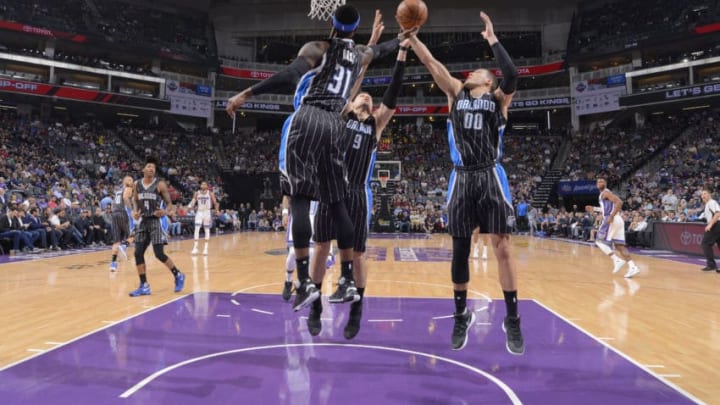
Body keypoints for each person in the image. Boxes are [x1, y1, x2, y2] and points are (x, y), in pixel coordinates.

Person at [226, 4, 411, 311]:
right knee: (337, 201)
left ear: (331, 24)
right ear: (354, 31)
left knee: (299, 198)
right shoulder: (358, 56)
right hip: (335, 124)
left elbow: (290, 74)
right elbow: (377, 52)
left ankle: (302, 282)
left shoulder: (318, 47)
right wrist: (400, 39)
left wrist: (246, 94)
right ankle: (347, 279)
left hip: (308, 117)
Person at [407, 12, 524, 354]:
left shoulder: (498, 99)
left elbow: (513, 74)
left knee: (502, 247)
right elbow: (431, 62)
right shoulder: (455, 93)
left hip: (489, 173)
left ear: (489, 81)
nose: (472, 72)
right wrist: (411, 38)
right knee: (460, 250)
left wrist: (491, 37)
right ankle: (461, 315)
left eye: (480, 72)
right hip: (461, 176)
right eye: (472, 72)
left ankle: (512, 320)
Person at [309, 39, 408, 339]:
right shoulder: (341, 117)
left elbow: (392, 95)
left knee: (358, 254)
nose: (365, 97)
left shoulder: (374, 126)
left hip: (355, 193)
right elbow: (351, 84)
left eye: (368, 97)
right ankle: (315, 305)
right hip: (330, 189)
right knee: (322, 247)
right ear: (351, 103)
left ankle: (357, 309)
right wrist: (365, 60)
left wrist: (401, 55)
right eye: (360, 96)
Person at [128, 157, 185, 297]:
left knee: (159, 253)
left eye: (153, 167)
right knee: (137, 253)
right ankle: (144, 285)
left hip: (157, 221)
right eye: (148, 166)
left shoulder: (160, 184)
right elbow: (135, 200)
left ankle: (178, 275)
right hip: (144, 220)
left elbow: (170, 204)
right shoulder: (137, 184)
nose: (151, 168)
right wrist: (135, 211)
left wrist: (165, 212)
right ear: (143, 169)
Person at [585, 177, 640, 278]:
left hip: (611, 219)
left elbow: (619, 202)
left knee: (599, 241)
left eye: (601, 181)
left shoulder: (605, 193)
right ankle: (633, 267)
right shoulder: (604, 194)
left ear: (605, 183)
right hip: (618, 219)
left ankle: (617, 260)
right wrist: (594, 208)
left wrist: (611, 216)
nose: (599, 183)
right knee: (619, 246)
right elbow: (606, 209)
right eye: (598, 182)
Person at [109, 176, 134, 272]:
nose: (131, 181)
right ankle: (124, 246)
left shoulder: (117, 191)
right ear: (124, 181)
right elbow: (125, 198)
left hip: (114, 214)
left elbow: (112, 205)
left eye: (131, 180)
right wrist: (131, 210)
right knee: (135, 233)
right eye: (129, 180)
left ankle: (113, 264)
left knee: (116, 241)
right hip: (123, 213)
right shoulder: (128, 189)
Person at [188, 181, 219, 256]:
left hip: (207, 212)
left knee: (206, 229)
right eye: (202, 184)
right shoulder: (197, 193)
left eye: (204, 184)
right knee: (197, 228)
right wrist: (188, 207)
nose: (203, 185)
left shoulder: (210, 193)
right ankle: (195, 248)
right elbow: (193, 201)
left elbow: (215, 203)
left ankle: (205, 249)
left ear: (207, 186)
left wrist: (217, 210)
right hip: (199, 212)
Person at [700, 189, 720, 272]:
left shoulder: (712, 202)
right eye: (702, 194)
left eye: (705, 193)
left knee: (705, 244)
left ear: (709, 195)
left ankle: (711, 265)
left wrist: (710, 225)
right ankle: (711, 265)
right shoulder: (707, 204)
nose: (703, 196)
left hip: (716, 225)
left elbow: (718, 213)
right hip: (717, 224)